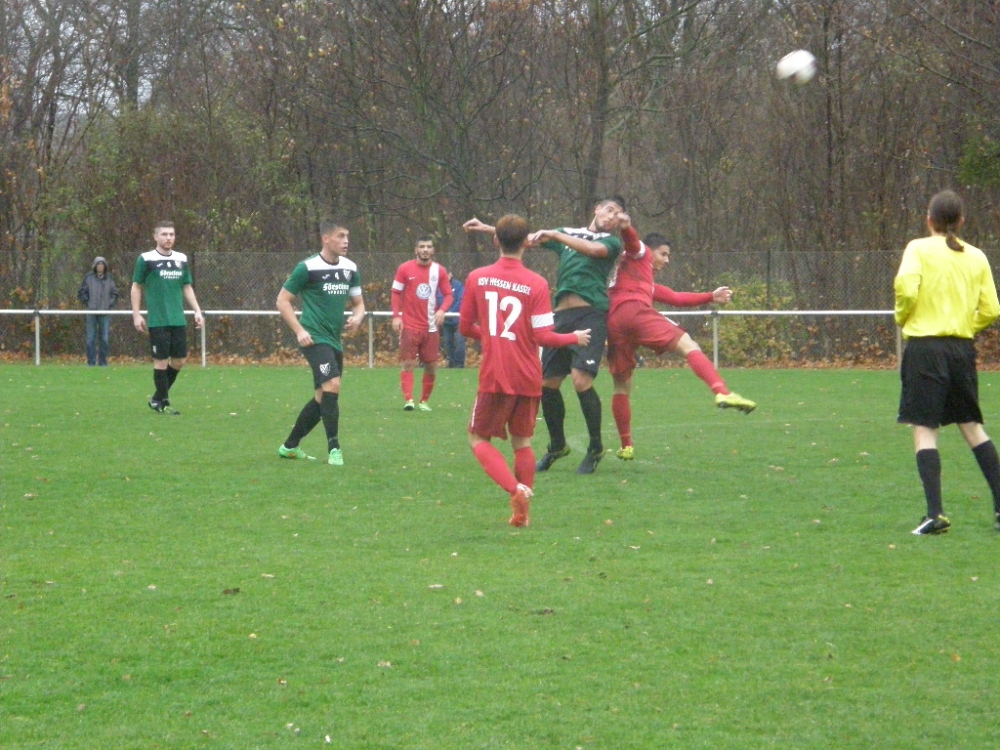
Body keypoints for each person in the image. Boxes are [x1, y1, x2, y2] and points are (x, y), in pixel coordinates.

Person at [460, 214, 591, 526]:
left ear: (495, 241)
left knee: (478, 438)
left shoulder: (477, 277)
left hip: (495, 373)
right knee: (523, 443)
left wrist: (490, 336)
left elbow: (465, 326)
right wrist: (575, 337)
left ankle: (514, 489)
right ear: (526, 244)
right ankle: (524, 507)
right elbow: (543, 337)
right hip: (528, 374)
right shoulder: (537, 283)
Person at [894, 189, 1000, 535]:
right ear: (961, 221)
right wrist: (967, 327)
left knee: (925, 427)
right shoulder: (977, 256)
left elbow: (907, 289)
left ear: (929, 219)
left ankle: (935, 514)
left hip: (926, 348)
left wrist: (903, 316)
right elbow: (992, 310)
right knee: (971, 427)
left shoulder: (919, 248)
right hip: (961, 350)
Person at [607, 217, 757, 460]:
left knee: (622, 385)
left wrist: (711, 295)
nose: (667, 260)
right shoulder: (639, 254)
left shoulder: (634, 276)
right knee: (689, 345)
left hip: (613, 322)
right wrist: (625, 226)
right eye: (664, 254)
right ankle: (721, 391)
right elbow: (633, 242)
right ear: (650, 251)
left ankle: (626, 445)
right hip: (634, 311)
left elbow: (676, 297)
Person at [527, 197, 625, 475]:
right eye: (609, 209)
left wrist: (557, 235)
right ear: (597, 208)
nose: (612, 216)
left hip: (590, 314)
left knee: (581, 380)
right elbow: (525, 240)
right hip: (561, 318)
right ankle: (557, 446)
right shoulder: (568, 234)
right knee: (547, 384)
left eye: (618, 214)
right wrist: (489, 229)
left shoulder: (611, 242)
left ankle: (595, 448)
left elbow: (593, 250)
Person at [276, 219, 366, 466]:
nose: (346, 240)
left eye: (347, 235)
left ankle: (290, 446)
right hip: (314, 338)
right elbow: (282, 301)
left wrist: (357, 318)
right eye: (340, 236)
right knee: (333, 385)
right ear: (326, 239)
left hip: (334, 340)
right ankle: (334, 448)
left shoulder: (350, 268)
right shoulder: (307, 267)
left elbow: (359, 304)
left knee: (322, 396)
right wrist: (299, 330)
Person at [131, 221, 204, 414]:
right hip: (158, 320)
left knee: (180, 360)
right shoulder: (145, 259)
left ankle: (156, 398)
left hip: (177, 319)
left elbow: (186, 286)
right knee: (161, 361)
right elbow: (136, 286)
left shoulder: (181, 259)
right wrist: (137, 314)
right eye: (164, 234)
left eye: (171, 234)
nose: (168, 238)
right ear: (156, 237)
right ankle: (163, 402)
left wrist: (197, 310)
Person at [391, 236, 453, 411]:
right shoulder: (404, 268)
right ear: (416, 250)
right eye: (422, 247)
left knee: (431, 365)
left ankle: (424, 401)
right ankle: (409, 400)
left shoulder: (439, 271)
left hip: (431, 327)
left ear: (433, 250)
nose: (425, 250)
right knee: (408, 362)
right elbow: (396, 293)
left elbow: (448, 295)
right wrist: (396, 316)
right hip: (410, 325)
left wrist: (441, 310)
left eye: (429, 247)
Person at [77, 256, 119, 366]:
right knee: (90, 339)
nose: (100, 266)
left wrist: (109, 304)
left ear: (105, 266)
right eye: (98, 264)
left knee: (104, 339)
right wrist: (88, 302)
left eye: (102, 264)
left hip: (105, 313)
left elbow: (115, 293)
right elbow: (81, 292)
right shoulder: (88, 277)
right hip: (91, 312)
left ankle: (103, 362)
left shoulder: (109, 278)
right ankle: (91, 362)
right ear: (95, 266)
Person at [439, 275, 466, 368]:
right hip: (446, 321)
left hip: (458, 319)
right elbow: (438, 300)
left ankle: (460, 364)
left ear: (450, 274)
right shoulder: (439, 286)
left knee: (459, 341)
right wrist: (441, 312)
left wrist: (451, 312)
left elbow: (461, 300)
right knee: (447, 342)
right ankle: (451, 362)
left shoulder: (458, 285)